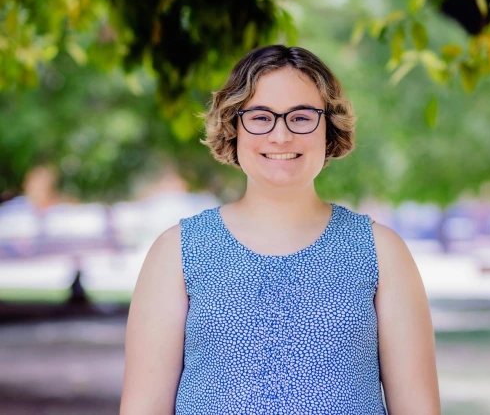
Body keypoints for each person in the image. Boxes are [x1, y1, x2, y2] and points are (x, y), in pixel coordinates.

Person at [120, 45, 441, 414]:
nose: (281, 136)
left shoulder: (382, 251)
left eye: (301, 117)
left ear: (328, 127)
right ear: (234, 126)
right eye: (260, 117)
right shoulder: (176, 251)